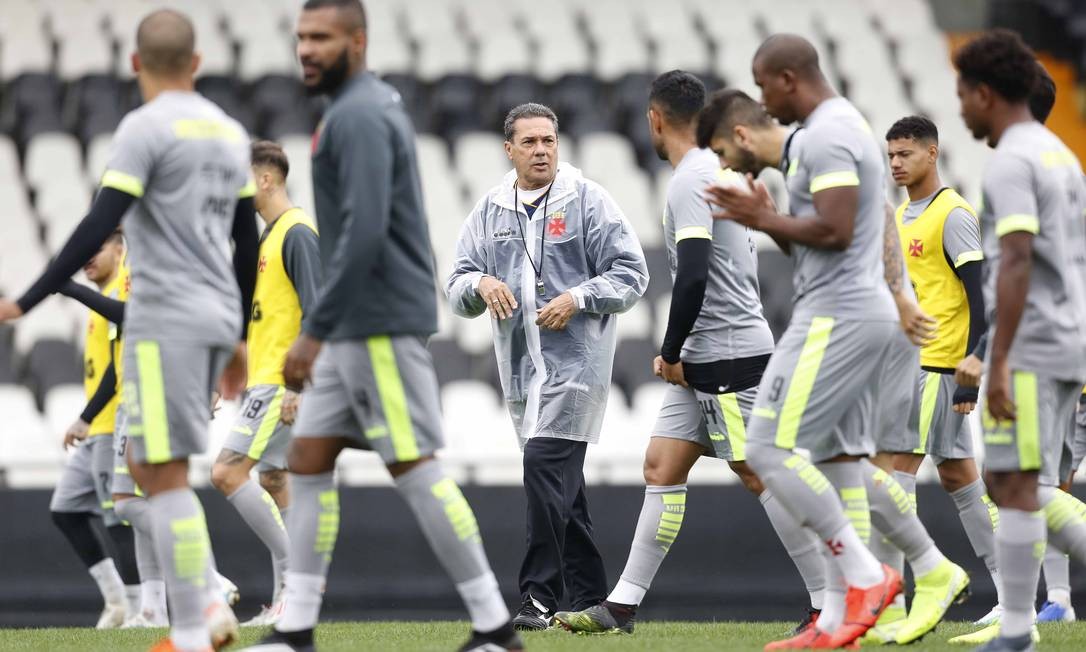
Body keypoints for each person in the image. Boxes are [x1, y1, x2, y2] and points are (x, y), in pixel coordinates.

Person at [244, 2, 519, 651]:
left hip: (377, 324)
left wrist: (314, 331)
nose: (307, 49)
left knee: (415, 466)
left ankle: (494, 627)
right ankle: (296, 630)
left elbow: (365, 232)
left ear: (357, 41)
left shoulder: (361, 114)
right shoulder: (349, 110)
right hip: (353, 328)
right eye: (301, 38)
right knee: (307, 460)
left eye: (322, 38)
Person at [0, 8, 259, 651]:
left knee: (160, 474)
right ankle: (203, 611)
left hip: (163, 315)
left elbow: (99, 222)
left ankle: (200, 623)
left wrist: (31, 297)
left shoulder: (142, 128)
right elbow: (245, 238)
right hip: (215, 314)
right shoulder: (229, 132)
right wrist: (239, 336)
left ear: (136, 64)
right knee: (150, 467)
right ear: (196, 64)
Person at [552, 70, 824, 637]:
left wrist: (670, 349)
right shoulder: (714, 171)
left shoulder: (689, 179)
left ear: (655, 118)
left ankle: (830, 600)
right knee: (662, 465)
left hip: (723, 356)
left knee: (758, 475)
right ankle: (621, 606)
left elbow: (694, 275)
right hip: (707, 355)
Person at [702, 34, 947, 648]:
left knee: (766, 448)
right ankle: (849, 615)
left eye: (763, 86)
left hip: (836, 315)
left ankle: (868, 576)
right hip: (844, 305)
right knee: (840, 465)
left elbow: (837, 231)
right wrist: (776, 221)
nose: (761, 100)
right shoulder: (825, 136)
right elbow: (833, 237)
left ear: (786, 79)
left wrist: (764, 220)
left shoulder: (827, 134)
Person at [447, 99, 648, 631]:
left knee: (541, 468)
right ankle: (590, 600)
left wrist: (579, 298)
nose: (541, 150)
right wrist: (480, 283)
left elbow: (632, 274)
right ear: (508, 149)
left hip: (576, 367)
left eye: (549, 141)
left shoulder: (589, 200)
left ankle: (537, 596)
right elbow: (456, 284)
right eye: (530, 142)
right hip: (520, 371)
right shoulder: (491, 208)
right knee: (563, 489)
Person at [953, 30, 1086, 652]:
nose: (959, 110)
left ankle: (1015, 633)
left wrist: (996, 359)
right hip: (1067, 343)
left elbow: (1016, 260)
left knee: (1017, 485)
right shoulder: (1059, 153)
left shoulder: (1010, 160)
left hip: (1032, 347)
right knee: (1024, 485)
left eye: (962, 95)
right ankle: (1016, 631)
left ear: (984, 92)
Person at [884, 115, 1003, 628]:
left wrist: (970, 364)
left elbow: (979, 296)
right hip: (911, 364)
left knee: (896, 472)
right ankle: (1014, 594)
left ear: (932, 154)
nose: (896, 164)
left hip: (937, 364)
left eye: (905, 154)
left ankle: (898, 602)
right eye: (890, 155)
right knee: (959, 477)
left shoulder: (952, 213)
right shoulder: (899, 215)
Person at [209, 140, 321, 627]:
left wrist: (297, 386)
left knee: (226, 473)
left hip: (280, 383)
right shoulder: (269, 236)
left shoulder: (297, 233)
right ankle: (284, 601)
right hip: (263, 378)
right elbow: (266, 318)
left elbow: (316, 313)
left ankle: (299, 585)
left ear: (266, 179)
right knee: (274, 480)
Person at [46, 230, 140, 628]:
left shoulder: (120, 291)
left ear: (120, 249)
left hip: (111, 424)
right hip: (96, 427)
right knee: (65, 508)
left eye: (96, 249)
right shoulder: (100, 301)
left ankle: (141, 609)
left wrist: (87, 417)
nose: (87, 258)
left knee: (119, 517)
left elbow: (117, 372)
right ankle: (118, 600)